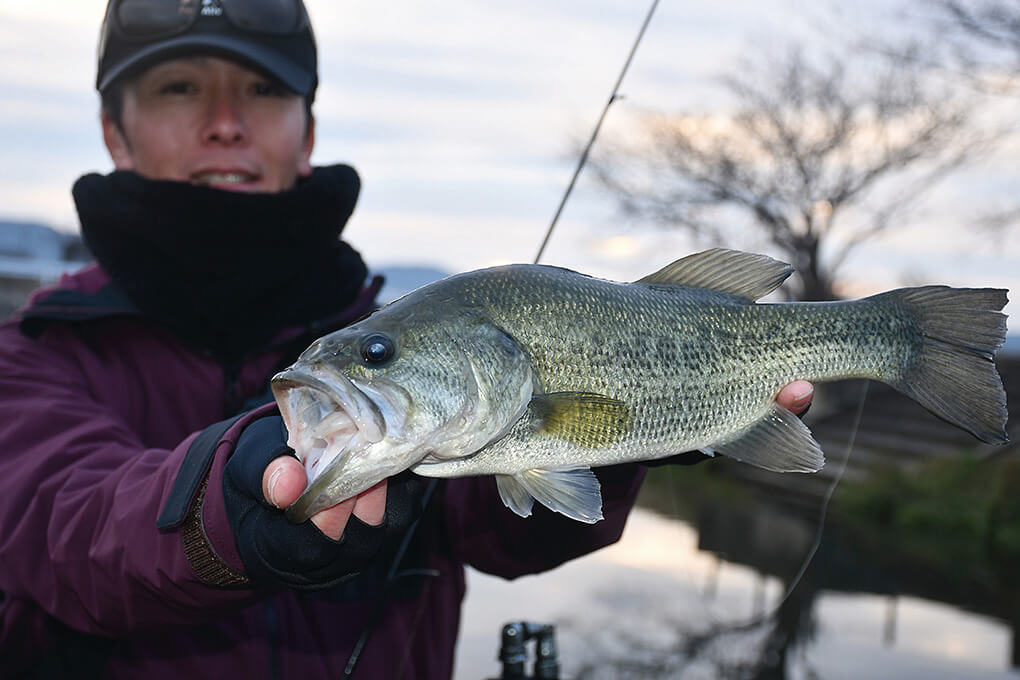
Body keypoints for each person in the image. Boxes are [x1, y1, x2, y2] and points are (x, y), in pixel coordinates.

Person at [0, 1, 814, 677]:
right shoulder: (29, 357)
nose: (224, 123)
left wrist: (632, 424)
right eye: (179, 87)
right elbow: (60, 529)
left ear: (307, 130)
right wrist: (228, 504)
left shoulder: (401, 331)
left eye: (261, 88)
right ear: (114, 130)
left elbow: (500, 535)